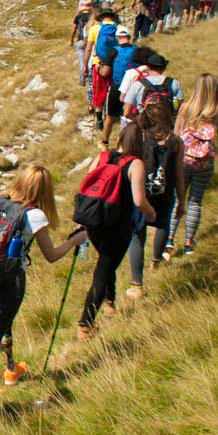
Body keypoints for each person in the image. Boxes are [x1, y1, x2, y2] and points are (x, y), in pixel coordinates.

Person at [0, 167, 88, 402]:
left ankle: (12, 369)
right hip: (9, 280)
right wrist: (75, 240)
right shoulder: (34, 216)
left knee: (3, 321)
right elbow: (51, 255)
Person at [76, 123, 155, 338]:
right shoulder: (135, 163)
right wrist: (151, 213)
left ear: (119, 138)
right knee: (103, 270)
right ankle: (85, 324)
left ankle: (110, 304)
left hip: (94, 221)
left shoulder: (101, 157)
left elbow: (87, 185)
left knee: (106, 261)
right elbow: (139, 200)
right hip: (117, 225)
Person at [127, 101, 184, 298]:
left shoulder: (141, 138)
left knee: (137, 235)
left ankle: (137, 283)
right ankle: (156, 260)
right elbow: (178, 174)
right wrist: (182, 201)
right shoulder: (176, 142)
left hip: (142, 192)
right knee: (162, 225)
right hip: (165, 194)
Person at [174, 74, 218, 255]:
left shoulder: (186, 109)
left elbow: (176, 135)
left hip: (183, 160)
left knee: (178, 200)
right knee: (195, 202)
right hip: (205, 163)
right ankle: (189, 242)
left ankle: (168, 240)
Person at [100, 26, 137, 147]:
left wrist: (99, 69)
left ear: (118, 38)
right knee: (129, 116)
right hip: (134, 88)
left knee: (110, 116)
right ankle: (125, 144)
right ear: (129, 37)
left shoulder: (113, 50)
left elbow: (105, 72)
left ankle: (104, 142)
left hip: (117, 87)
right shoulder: (137, 50)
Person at [84, 9, 119, 131]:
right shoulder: (119, 27)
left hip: (99, 63)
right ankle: (111, 115)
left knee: (99, 89)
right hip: (115, 63)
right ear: (112, 17)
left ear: (102, 17)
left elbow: (88, 49)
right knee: (113, 89)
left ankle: (99, 117)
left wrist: (85, 65)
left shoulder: (95, 29)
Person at [70, 0, 97, 90]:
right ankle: (91, 77)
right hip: (91, 41)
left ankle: (82, 79)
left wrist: (71, 40)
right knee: (90, 60)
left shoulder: (78, 17)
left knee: (82, 60)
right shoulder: (92, 17)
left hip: (81, 40)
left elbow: (74, 29)